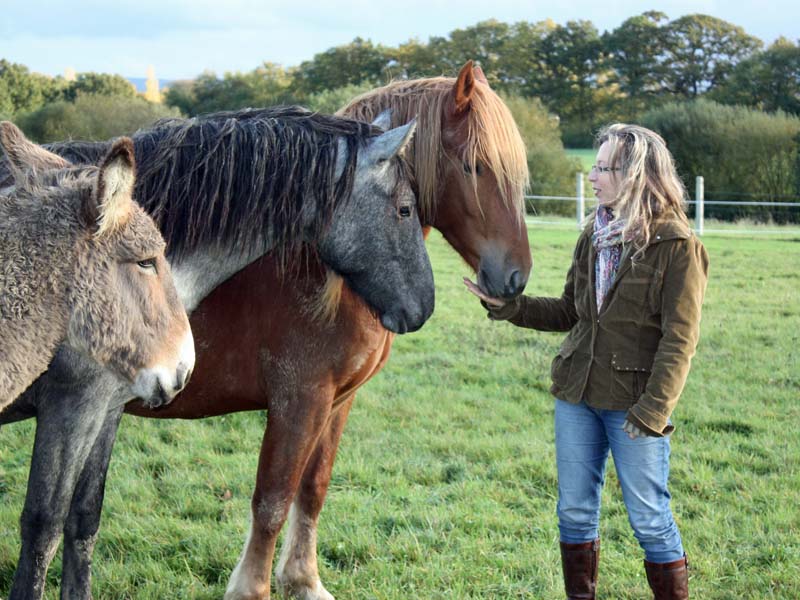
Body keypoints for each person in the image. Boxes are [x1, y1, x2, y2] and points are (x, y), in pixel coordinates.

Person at [465, 123, 708, 600]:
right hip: (576, 397)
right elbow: (570, 312)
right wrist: (508, 306)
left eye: (602, 167)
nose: (592, 176)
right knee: (574, 512)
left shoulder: (678, 247)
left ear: (635, 173)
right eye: (594, 166)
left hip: (635, 409)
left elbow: (680, 341)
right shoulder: (593, 236)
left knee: (650, 521)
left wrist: (653, 411)